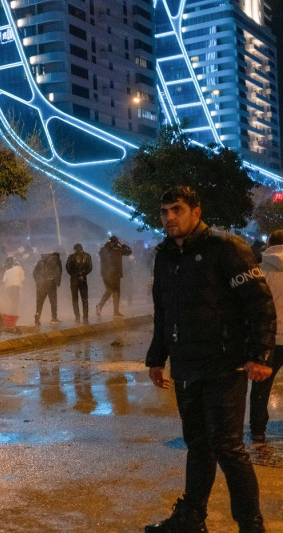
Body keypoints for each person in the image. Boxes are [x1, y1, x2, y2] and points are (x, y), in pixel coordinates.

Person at [145, 186, 274, 533]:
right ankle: (191, 518)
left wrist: (259, 355)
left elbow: (259, 304)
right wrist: (157, 358)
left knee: (228, 448)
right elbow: (163, 312)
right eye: (164, 212)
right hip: (186, 366)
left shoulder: (226, 249)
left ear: (196, 213)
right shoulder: (165, 256)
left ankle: (251, 525)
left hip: (224, 366)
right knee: (198, 446)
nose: (169, 218)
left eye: (177, 210)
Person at [251, 229, 283, 443]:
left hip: (269, 338)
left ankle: (258, 429)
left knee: (261, 385)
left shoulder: (259, 270)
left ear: (269, 243)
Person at [95, 235, 132, 318]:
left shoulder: (103, 250)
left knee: (109, 290)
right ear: (116, 242)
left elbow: (101, 252)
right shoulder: (118, 249)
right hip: (115, 274)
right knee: (116, 292)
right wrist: (122, 244)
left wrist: (107, 244)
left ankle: (100, 305)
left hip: (105, 274)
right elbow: (129, 251)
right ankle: (116, 311)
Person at [65, 243, 92, 324]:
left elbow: (68, 268)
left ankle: (77, 317)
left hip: (74, 279)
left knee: (75, 299)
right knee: (85, 298)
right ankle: (85, 317)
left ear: (75, 249)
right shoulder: (87, 256)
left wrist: (74, 274)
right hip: (83, 279)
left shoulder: (71, 257)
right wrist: (83, 274)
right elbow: (90, 268)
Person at [32, 252, 62, 325]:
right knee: (53, 302)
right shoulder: (55, 260)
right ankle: (54, 318)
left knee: (39, 302)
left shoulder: (40, 262)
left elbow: (34, 273)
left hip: (40, 285)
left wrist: (38, 281)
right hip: (50, 284)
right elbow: (58, 272)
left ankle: (37, 314)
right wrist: (57, 282)